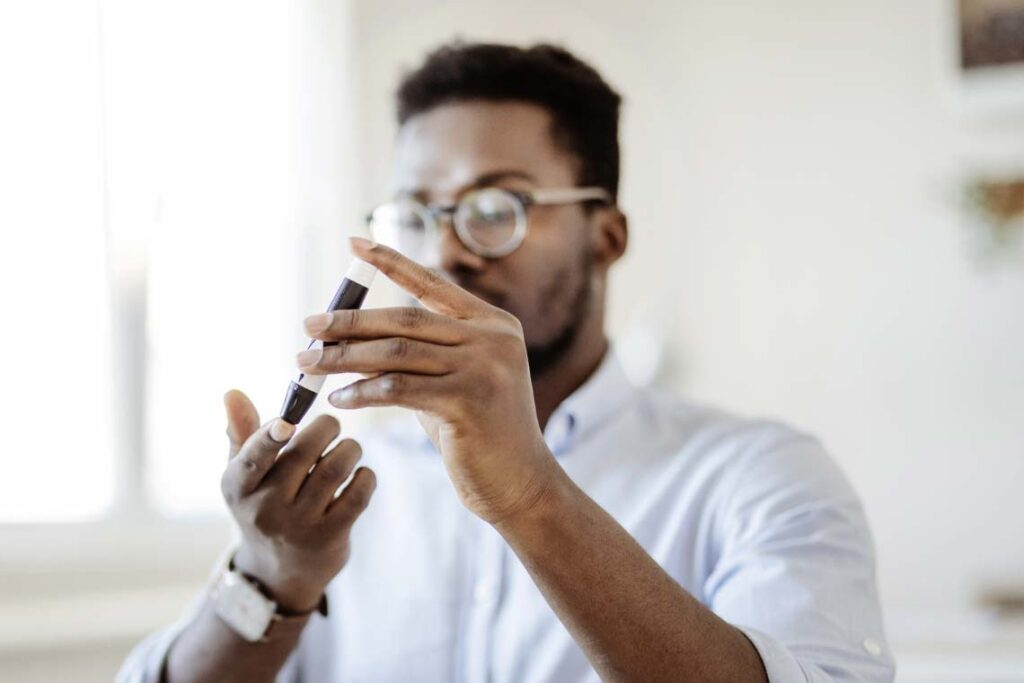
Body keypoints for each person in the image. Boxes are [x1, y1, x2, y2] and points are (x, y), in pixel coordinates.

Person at [118, 42, 894, 683]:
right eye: (417, 213)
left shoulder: (762, 475)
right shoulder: (338, 493)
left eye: (497, 208)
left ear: (607, 236)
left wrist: (527, 490)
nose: (447, 247)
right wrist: (270, 575)